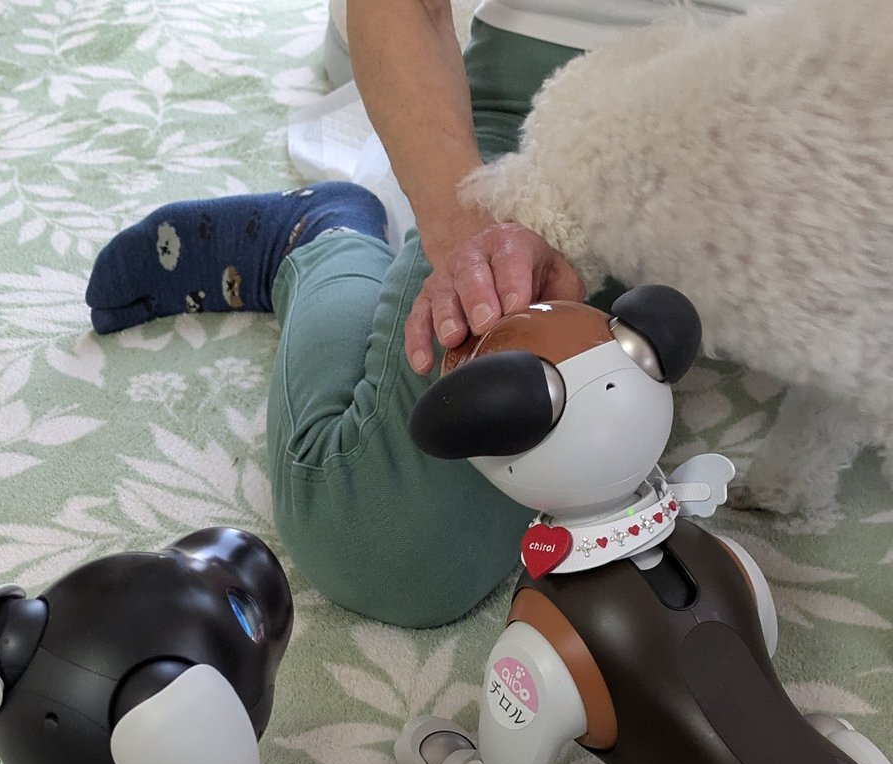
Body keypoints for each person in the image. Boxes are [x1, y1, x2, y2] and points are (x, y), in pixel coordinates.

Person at [86, 0, 752, 628]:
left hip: (773, 121)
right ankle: (323, 240)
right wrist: (467, 233)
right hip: (560, 113)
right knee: (385, 543)